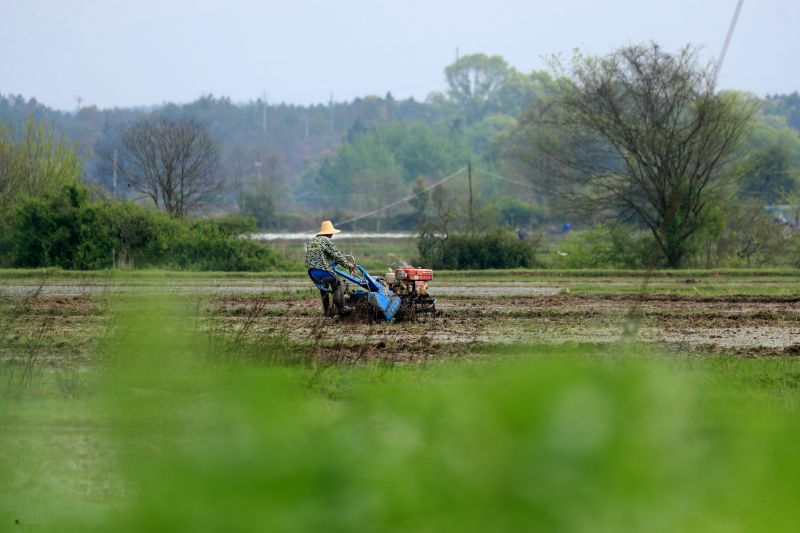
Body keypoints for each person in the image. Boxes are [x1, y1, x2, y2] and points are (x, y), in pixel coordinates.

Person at [305, 220, 355, 316]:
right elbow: (336, 255)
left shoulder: (312, 241)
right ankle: (342, 308)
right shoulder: (325, 240)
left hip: (313, 273)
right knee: (337, 284)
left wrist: (331, 262)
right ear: (330, 233)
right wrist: (347, 264)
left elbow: (317, 257)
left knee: (324, 288)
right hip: (324, 271)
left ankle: (326, 312)